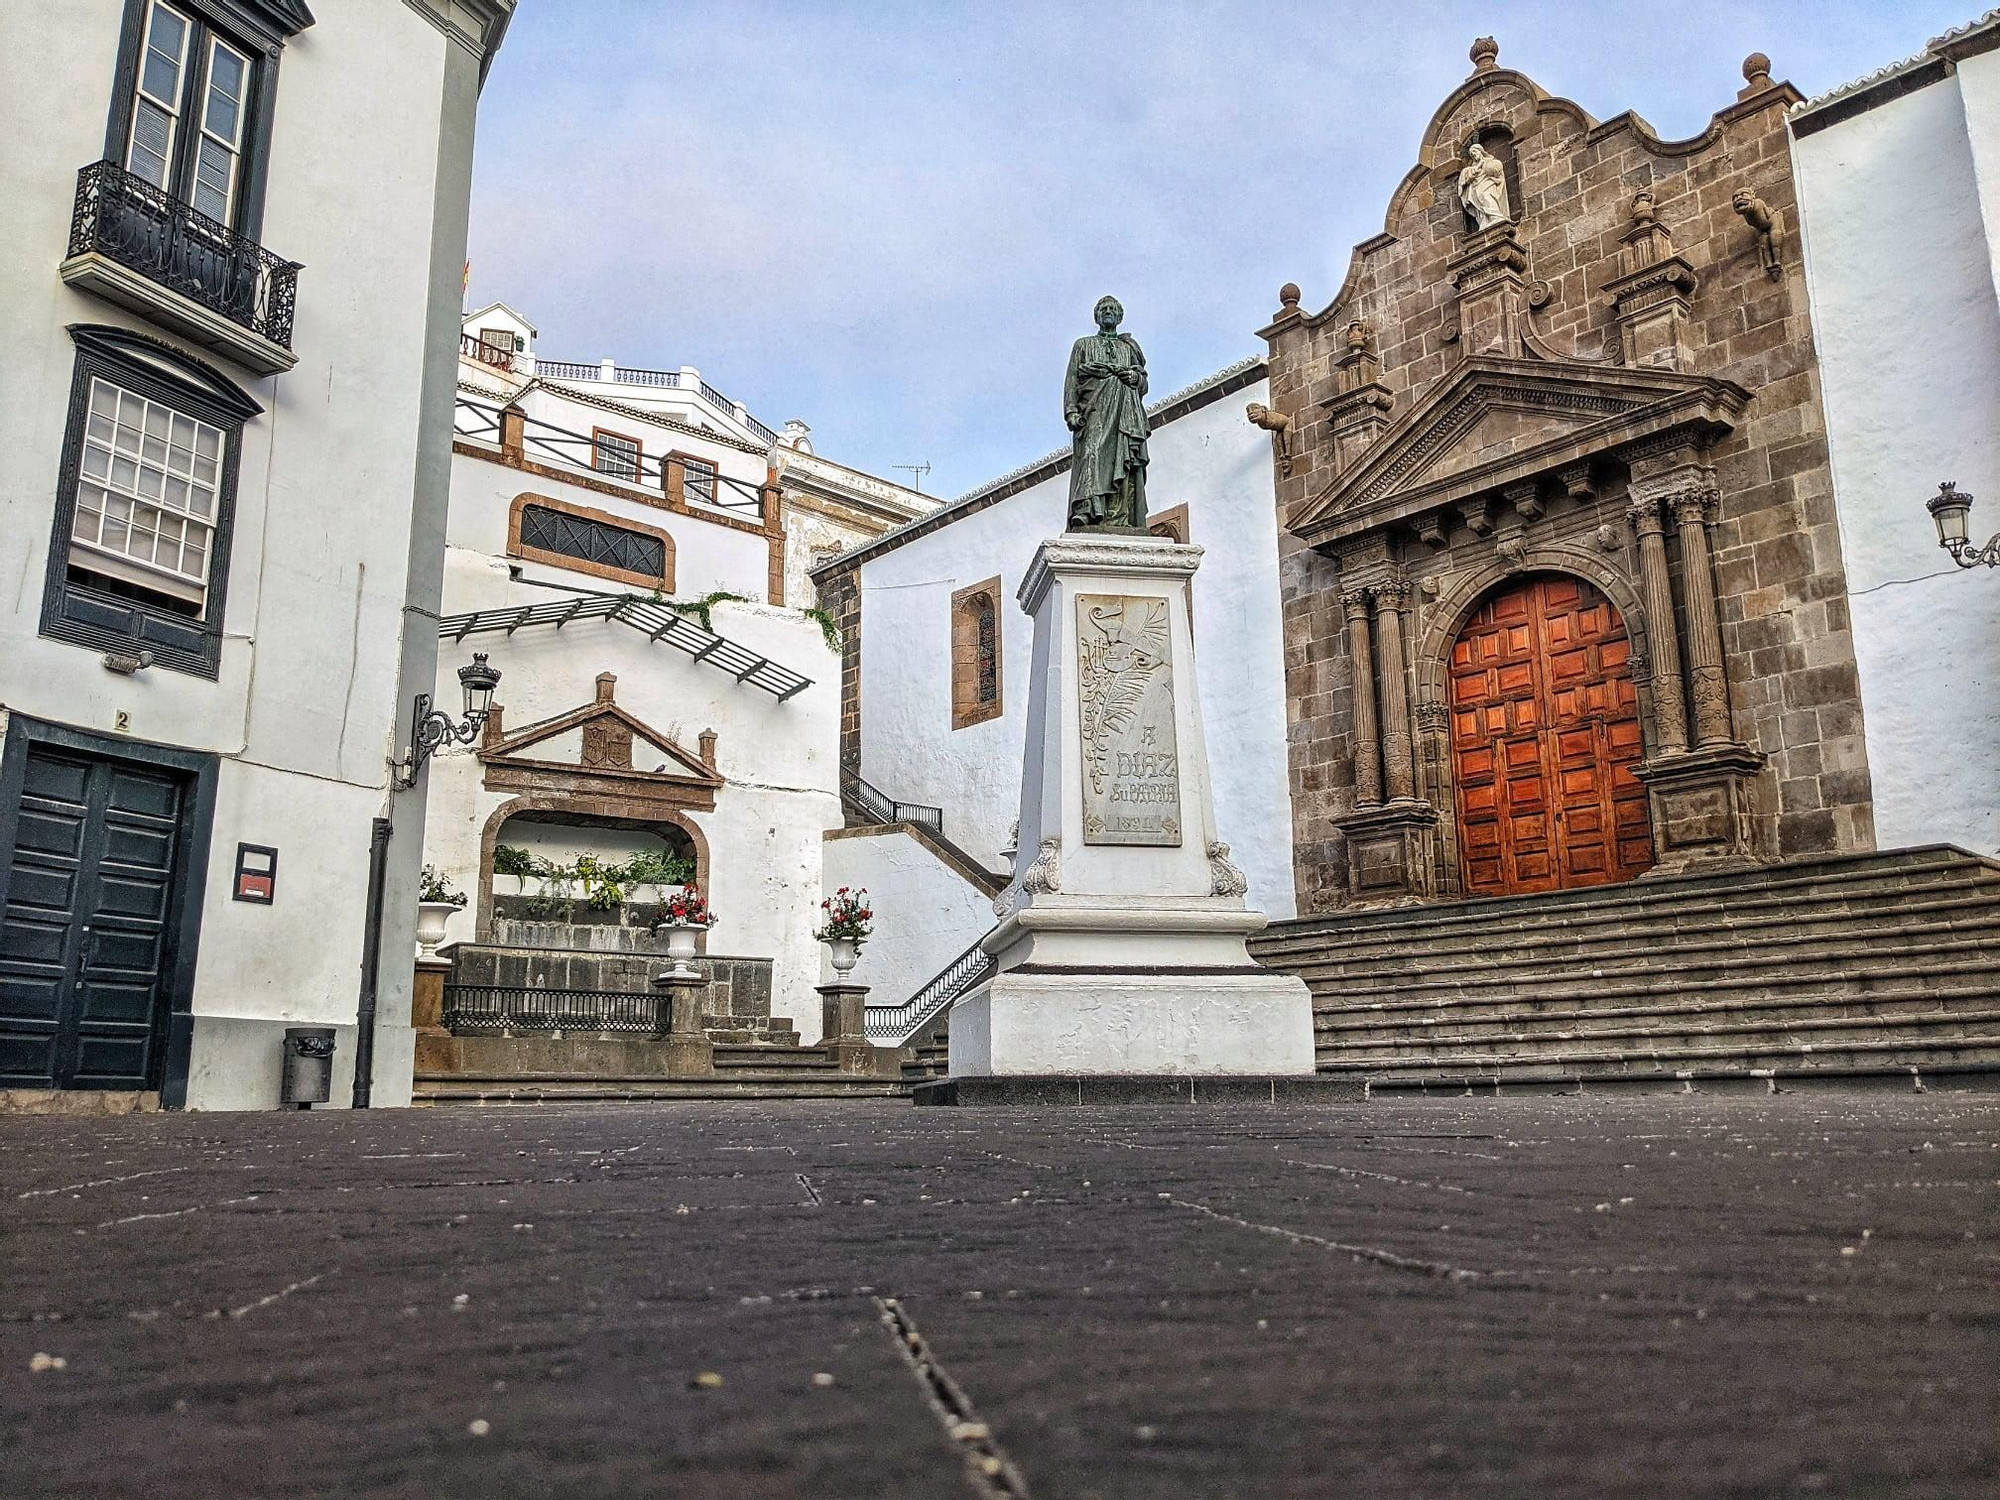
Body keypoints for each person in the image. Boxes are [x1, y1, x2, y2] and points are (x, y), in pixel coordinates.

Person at [1064, 296, 1149, 529]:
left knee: (1123, 461)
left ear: (1120, 316)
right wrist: (1071, 411)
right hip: (1094, 411)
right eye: (1104, 309)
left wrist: (1135, 378)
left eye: (1113, 309)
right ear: (1097, 316)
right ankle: (1087, 510)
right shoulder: (1083, 345)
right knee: (1092, 454)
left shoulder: (1128, 348)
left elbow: (1143, 383)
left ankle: (1118, 515)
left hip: (1124, 412)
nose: (1109, 312)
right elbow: (1072, 380)